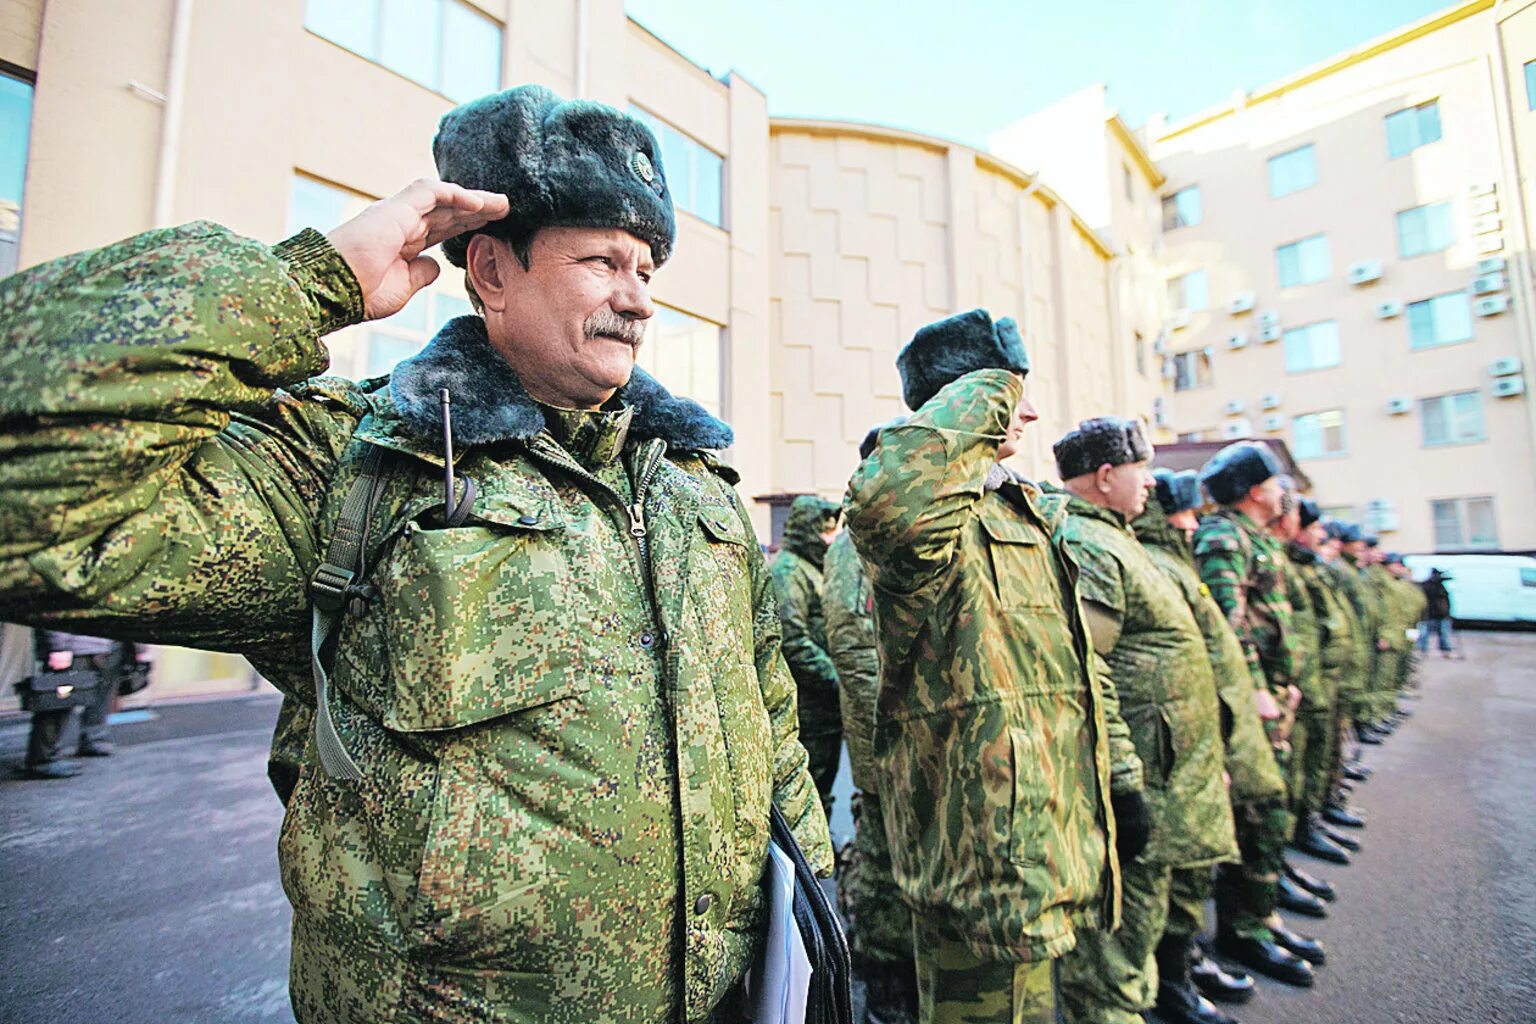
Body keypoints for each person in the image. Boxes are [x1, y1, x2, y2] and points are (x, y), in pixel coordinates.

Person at [0, 84, 832, 1022]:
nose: (637, 301)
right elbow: (28, 490)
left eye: (647, 270)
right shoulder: (354, 465)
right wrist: (311, 282)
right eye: (603, 261)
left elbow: (772, 733)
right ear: (490, 271)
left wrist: (814, 924)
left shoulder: (694, 488)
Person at [846, 309, 1147, 1024]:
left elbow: (1076, 665)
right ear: (967, 399)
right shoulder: (923, 518)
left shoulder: (1026, 511)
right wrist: (986, 389)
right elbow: (894, 502)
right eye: (1014, 393)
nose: (1032, 412)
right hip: (979, 857)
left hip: (1053, 834)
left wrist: (1121, 780)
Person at [1050, 423, 1237, 1024]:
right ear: (1105, 477)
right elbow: (1088, 670)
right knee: (1119, 942)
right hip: (1138, 773)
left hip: (1165, 766)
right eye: (1141, 467)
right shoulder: (1090, 544)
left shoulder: (1119, 539)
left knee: (1149, 916)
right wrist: (1124, 784)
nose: (1152, 481)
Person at [1134, 470, 1289, 1017]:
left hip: (1204, 732)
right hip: (1175, 745)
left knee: (1198, 857)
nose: (1194, 520)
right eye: (1186, 511)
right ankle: (1175, 975)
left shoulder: (1178, 562)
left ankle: (1187, 963)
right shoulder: (1156, 562)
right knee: (1174, 865)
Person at [1193, 442, 1323, 987]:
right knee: (1259, 810)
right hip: (1250, 702)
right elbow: (1228, 623)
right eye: (1274, 483)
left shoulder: (1253, 538)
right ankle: (1244, 931)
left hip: (1272, 694)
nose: (1282, 494)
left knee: (1271, 808)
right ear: (1253, 491)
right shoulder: (1223, 536)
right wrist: (1256, 691)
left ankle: (1262, 917)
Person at [826, 420, 917, 1024]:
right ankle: (881, 978)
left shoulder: (890, 535)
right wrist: (882, 748)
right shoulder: (855, 545)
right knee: (882, 860)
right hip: (886, 741)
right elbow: (857, 652)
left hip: (909, 739)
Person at [770, 494, 845, 816]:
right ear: (805, 529)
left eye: (832, 531)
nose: (829, 539)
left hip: (824, 707)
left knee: (823, 793)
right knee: (806, 798)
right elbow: (793, 640)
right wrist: (838, 681)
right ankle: (809, 865)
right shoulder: (789, 571)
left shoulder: (813, 568)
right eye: (823, 531)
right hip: (808, 709)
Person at [23, 631, 146, 778]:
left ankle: (93, 739)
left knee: (100, 697)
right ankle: (42, 760)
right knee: (57, 702)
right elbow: (54, 614)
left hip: (105, 645)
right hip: (75, 647)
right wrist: (58, 647)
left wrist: (139, 648)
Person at [1419, 569, 1458, 657]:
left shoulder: (1440, 587)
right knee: (1424, 634)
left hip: (1442, 615)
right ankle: (1422, 650)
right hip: (1430, 614)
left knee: (1444, 634)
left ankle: (1446, 650)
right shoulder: (1428, 586)